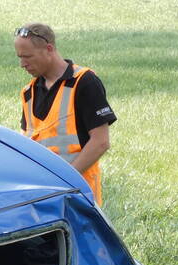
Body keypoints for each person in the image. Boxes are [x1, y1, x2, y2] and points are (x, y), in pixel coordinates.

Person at [14, 23, 116, 205]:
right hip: (41, 198)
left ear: (49, 49)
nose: (22, 64)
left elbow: (101, 142)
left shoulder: (84, 82)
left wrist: (65, 180)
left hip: (78, 196)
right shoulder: (28, 93)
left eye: (27, 56)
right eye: (20, 57)